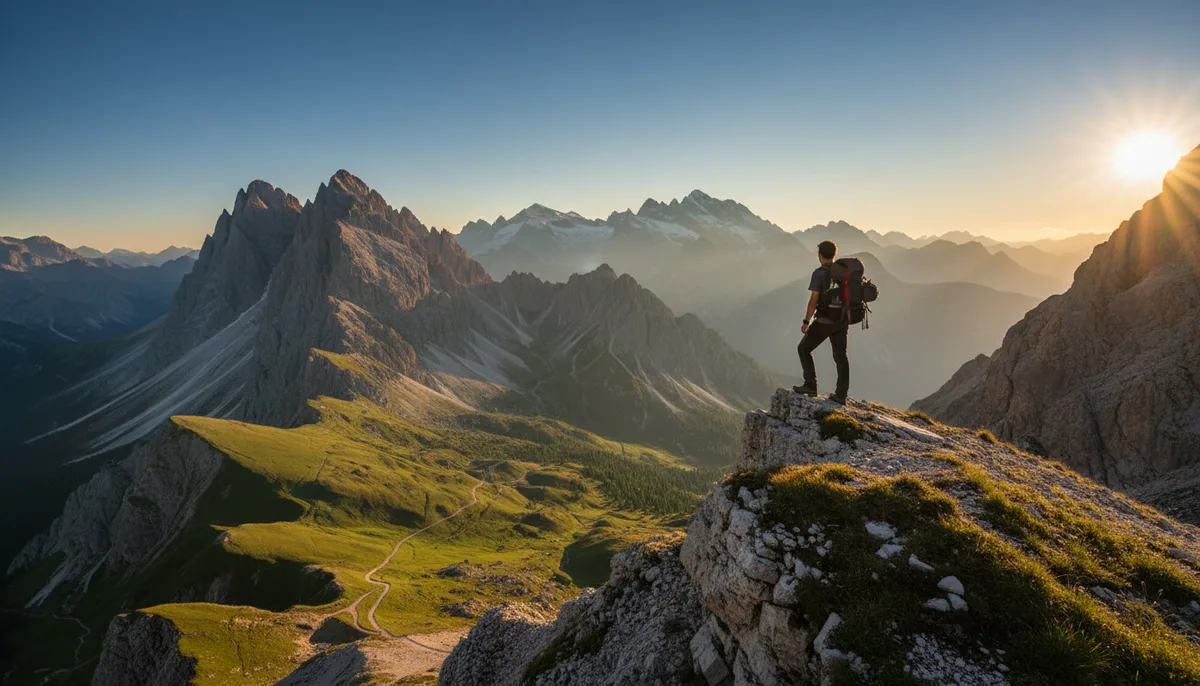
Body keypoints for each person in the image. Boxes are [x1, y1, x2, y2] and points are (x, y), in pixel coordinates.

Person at [794, 240, 849, 404]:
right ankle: (841, 395)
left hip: (825, 320)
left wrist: (806, 321)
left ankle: (810, 385)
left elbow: (813, 300)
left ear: (820, 255)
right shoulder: (843, 272)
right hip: (842, 320)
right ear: (834, 254)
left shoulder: (819, 273)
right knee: (841, 357)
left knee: (804, 348)